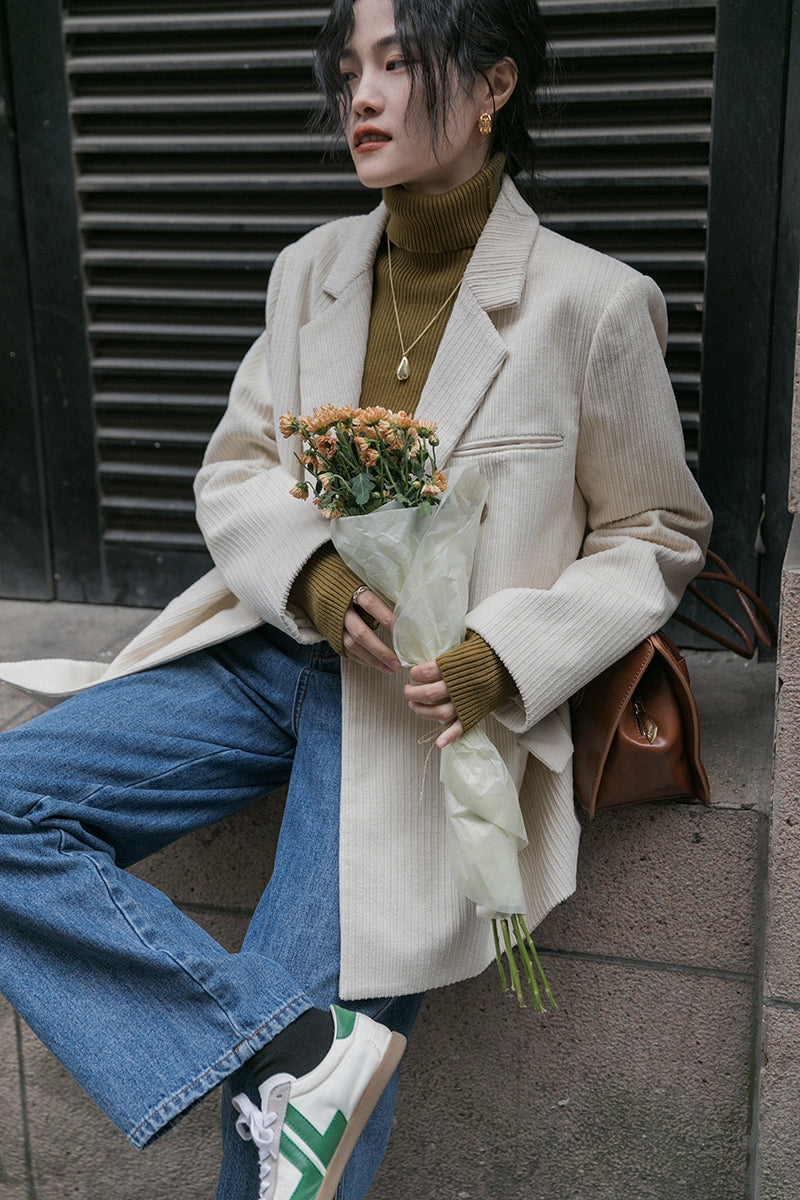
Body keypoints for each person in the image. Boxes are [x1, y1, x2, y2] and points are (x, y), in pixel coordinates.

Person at [0, 0, 712, 1197]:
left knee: (271, 1148)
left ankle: (296, 1050)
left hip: (420, 718)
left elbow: (657, 531)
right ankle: (293, 1045)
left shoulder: (592, 303)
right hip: (269, 655)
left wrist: (501, 655)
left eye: (397, 64)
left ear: (491, 86)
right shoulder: (309, 270)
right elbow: (236, 470)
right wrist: (315, 576)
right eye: (349, 71)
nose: (361, 97)